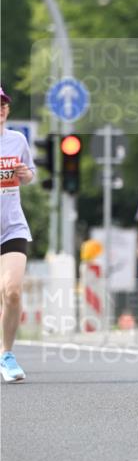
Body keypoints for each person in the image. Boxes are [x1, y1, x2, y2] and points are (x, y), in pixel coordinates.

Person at [0, 87, 35, 382]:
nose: (0, 108)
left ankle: (6, 356)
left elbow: (30, 173)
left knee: (12, 291)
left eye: (3, 104)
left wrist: (25, 175)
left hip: (12, 226)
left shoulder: (17, 140)